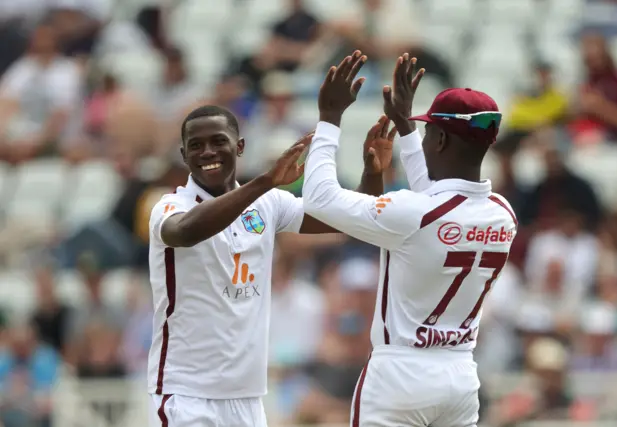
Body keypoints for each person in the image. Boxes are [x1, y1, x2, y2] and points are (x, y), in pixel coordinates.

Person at [146, 102, 423, 427]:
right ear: (183, 155)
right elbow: (185, 232)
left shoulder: (268, 204)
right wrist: (265, 181)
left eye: (218, 141)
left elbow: (348, 220)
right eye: (196, 145)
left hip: (246, 399)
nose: (208, 151)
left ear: (240, 146)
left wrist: (372, 172)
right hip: (185, 395)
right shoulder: (170, 207)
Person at [302, 51, 518, 427]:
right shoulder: (503, 214)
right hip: (460, 375)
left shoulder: (413, 212)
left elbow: (319, 199)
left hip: (400, 374)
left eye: (429, 130)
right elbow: (437, 200)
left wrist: (330, 118)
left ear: (439, 140)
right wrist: (405, 126)